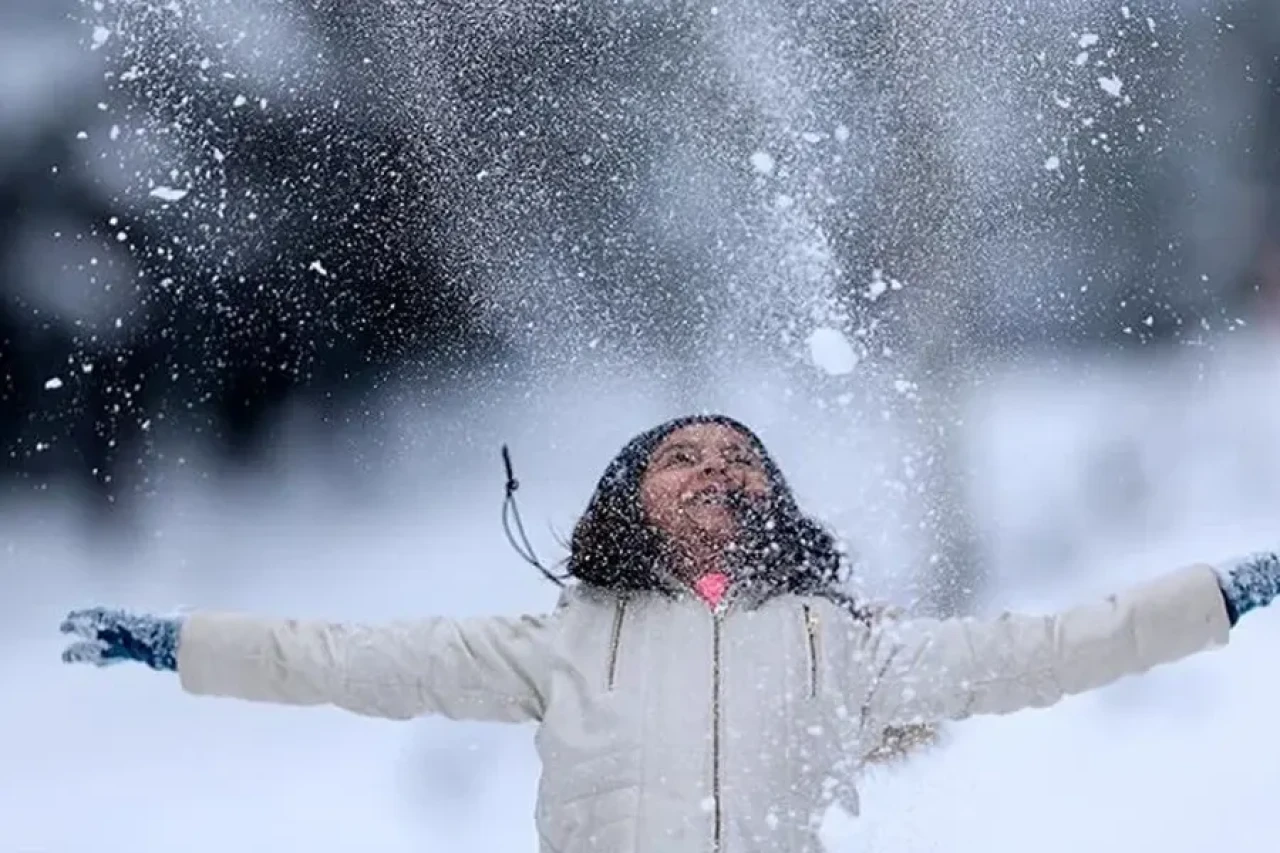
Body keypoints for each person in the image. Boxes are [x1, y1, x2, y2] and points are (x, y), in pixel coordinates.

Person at [61, 414, 1280, 853]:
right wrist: (182, 644)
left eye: (739, 458)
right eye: (680, 456)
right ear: (620, 502)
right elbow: (347, 657)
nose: (713, 469)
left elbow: (1047, 647)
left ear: (773, 502)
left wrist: (1217, 594)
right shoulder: (554, 645)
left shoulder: (839, 648)